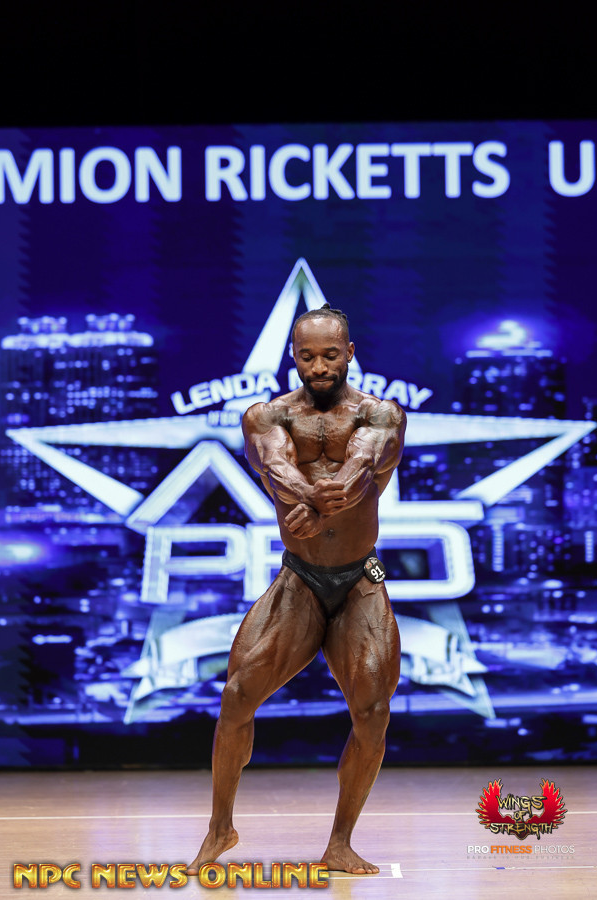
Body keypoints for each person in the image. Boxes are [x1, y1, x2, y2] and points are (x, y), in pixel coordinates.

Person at [187, 304, 406, 876]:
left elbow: (362, 467)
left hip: (361, 578)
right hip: (299, 577)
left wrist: (326, 500)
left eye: (330, 355)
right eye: (308, 356)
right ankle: (220, 829)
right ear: (293, 356)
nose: (319, 367)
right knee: (237, 697)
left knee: (373, 713)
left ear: (349, 353)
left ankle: (340, 842)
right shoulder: (267, 416)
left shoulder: (380, 414)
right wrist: (306, 497)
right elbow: (275, 465)